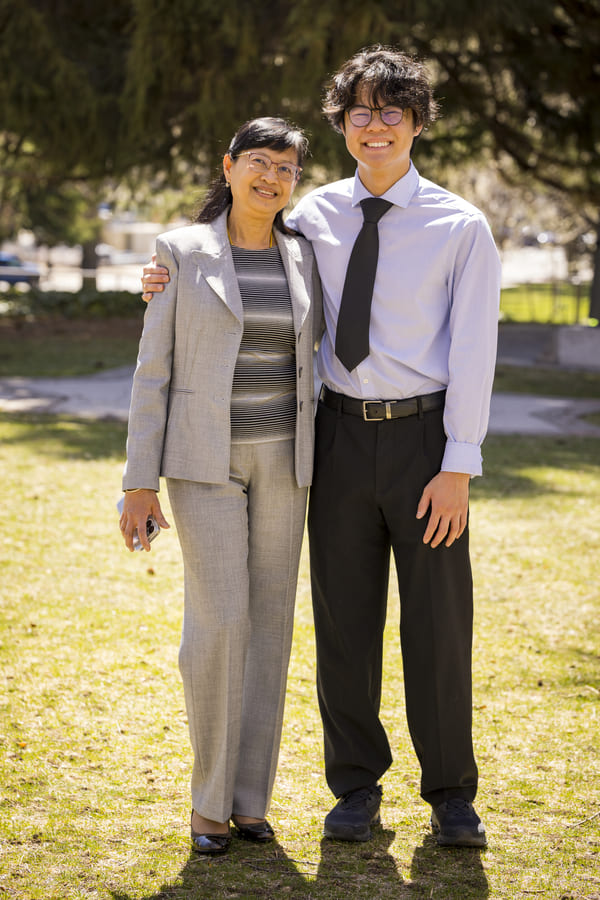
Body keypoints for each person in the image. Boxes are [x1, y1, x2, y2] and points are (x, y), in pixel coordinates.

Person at [141, 46, 501, 849]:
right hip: (332, 438)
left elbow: (476, 349)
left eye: (393, 114)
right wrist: (158, 275)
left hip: (425, 442)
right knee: (343, 623)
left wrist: (458, 464)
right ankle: (356, 789)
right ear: (344, 124)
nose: (376, 128)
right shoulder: (310, 216)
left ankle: (450, 796)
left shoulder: (460, 225)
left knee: (440, 624)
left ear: (417, 125)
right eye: (361, 113)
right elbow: (230, 241)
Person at [120, 116, 322, 856]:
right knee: (219, 623)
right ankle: (207, 804)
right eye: (260, 163)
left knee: (269, 629)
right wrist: (138, 483)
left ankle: (248, 801)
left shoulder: (306, 255)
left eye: (287, 169)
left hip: (287, 463)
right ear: (230, 166)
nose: (272, 178)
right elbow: (154, 372)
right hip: (202, 464)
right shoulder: (181, 250)